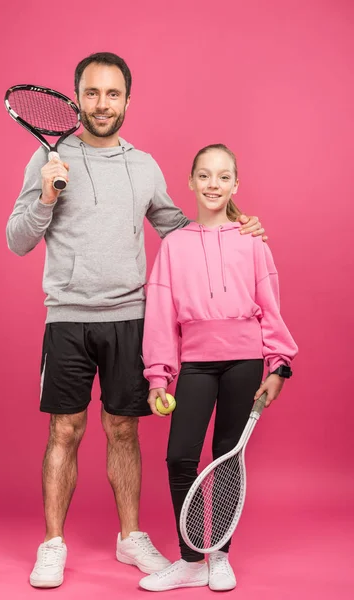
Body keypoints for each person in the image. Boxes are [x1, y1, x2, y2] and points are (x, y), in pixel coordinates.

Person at [6, 53, 266, 589]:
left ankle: (130, 538)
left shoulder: (143, 165)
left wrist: (233, 225)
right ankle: (52, 545)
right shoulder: (47, 160)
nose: (103, 104)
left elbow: (175, 225)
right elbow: (17, 240)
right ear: (77, 98)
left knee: (124, 431)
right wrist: (47, 196)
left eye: (114, 94)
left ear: (127, 100)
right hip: (69, 318)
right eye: (93, 93)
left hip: (130, 318)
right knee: (65, 431)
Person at [140, 143, 298, 592]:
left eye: (223, 177)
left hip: (246, 362)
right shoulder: (173, 246)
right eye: (205, 176)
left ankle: (220, 555)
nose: (213, 184)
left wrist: (277, 365)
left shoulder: (251, 240)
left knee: (228, 458)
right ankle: (191, 559)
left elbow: (270, 306)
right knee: (180, 457)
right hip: (196, 363)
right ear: (190, 183)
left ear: (235, 185)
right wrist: (158, 376)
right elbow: (160, 316)